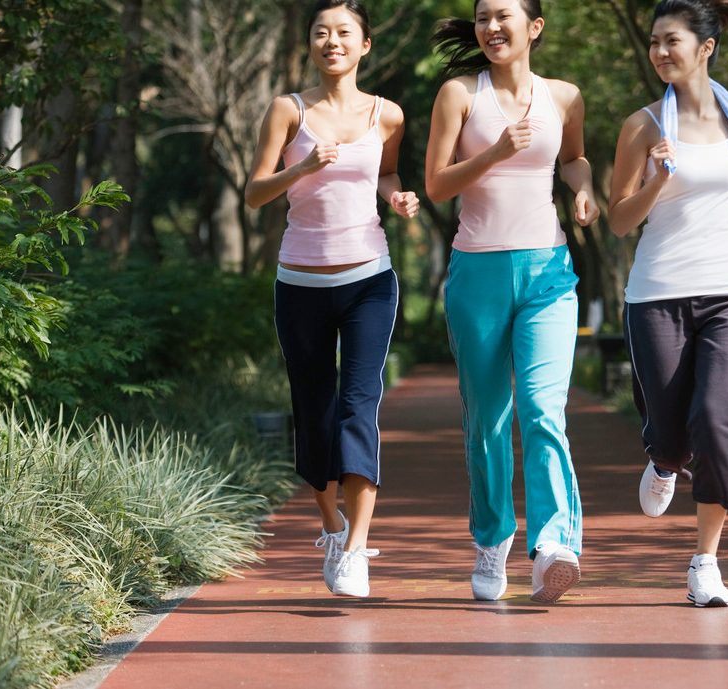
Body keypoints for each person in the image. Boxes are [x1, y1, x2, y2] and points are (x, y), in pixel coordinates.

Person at [606, 0, 728, 608]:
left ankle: (705, 560)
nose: (658, 52)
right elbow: (620, 221)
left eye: (670, 41)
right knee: (675, 434)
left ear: (705, 47)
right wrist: (656, 180)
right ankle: (663, 460)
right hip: (657, 293)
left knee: (720, 414)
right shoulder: (643, 126)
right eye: (653, 42)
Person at [425, 0, 599, 603]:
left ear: (535, 27)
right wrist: (496, 151)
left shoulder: (565, 96)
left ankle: (555, 544)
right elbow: (436, 184)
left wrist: (584, 191)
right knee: (487, 419)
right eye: (482, 18)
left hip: (548, 268)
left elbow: (573, 158)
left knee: (542, 407)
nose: (492, 27)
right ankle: (492, 540)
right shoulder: (459, 94)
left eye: (504, 16)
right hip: (478, 271)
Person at [243, 0, 419, 598]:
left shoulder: (387, 115)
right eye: (321, 32)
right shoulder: (288, 111)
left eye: (344, 32)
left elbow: (387, 175)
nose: (332, 41)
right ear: (311, 45)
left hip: (370, 278)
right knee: (313, 413)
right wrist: (302, 168)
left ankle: (355, 549)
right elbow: (254, 193)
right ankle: (330, 523)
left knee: (358, 406)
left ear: (364, 45)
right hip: (301, 284)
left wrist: (398, 199)